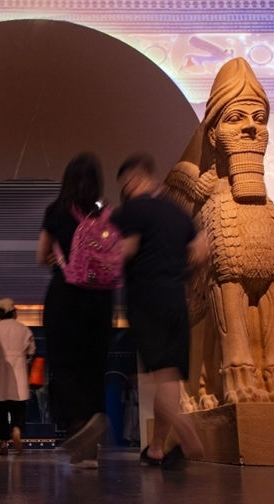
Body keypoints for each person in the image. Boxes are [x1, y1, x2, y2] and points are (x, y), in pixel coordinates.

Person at [113, 153, 206, 467]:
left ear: (131, 180)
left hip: (146, 298)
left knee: (159, 375)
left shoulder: (132, 211)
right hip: (177, 299)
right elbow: (200, 251)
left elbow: (124, 252)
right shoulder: (179, 215)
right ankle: (155, 449)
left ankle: (184, 428)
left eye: (123, 184)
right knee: (170, 377)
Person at [37, 152, 113, 468]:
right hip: (100, 299)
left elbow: (41, 255)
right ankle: (91, 444)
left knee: (65, 366)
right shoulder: (104, 213)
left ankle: (77, 430)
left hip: (65, 296)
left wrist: (61, 258)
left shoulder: (56, 211)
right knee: (93, 366)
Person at [0, 298, 36, 455]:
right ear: (14, 312)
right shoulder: (23, 329)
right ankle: (17, 430)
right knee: (18, 408)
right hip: (18, 374)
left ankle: (3, 445)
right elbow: (31, 350)